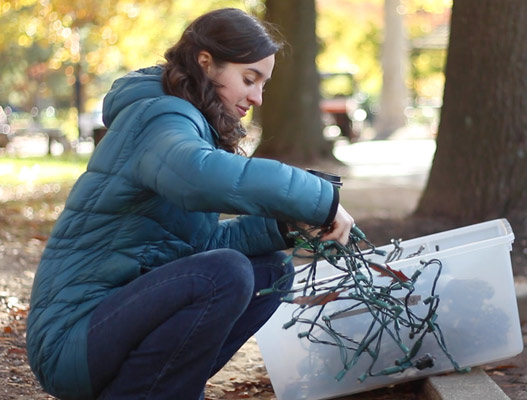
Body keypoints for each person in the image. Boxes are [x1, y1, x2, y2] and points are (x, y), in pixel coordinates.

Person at [26, 8, 354, 400]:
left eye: (263, 84)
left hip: (108, 327)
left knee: (271, 272)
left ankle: (154, 390)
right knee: (224, 274)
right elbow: (196, 175)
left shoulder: (188, 122)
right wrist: (320, 198)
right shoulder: (159, 115)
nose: (256, 97)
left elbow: (195, 250)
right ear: (206, 63)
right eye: (249, 79)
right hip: (72, 341)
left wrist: (281, 228)